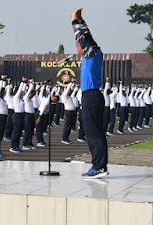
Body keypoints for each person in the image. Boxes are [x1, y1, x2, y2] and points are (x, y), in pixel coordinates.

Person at [72, 8, 108, 178]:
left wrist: (74, 20)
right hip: (93, 96)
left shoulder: (91, 54)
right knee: (94, 131)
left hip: (91, 96)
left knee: (93, 133)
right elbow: (87, 37)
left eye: (78, 46)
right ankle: (98, 165)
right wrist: (81, 20)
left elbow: (81, 37)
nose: (77, 48)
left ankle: (99, 167)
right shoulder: (96, 52)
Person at [60, 80, 76, 144]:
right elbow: (67, 90)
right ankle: (64, 138)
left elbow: (71, 89)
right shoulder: (64, 96)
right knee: (67, 125)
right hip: (68, 112)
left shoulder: (69, 97)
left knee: (70, 125)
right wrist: (71, 83)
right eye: (70, 90)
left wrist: (73, 84)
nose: (71, 91)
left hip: (72, 112)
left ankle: (67, 138)